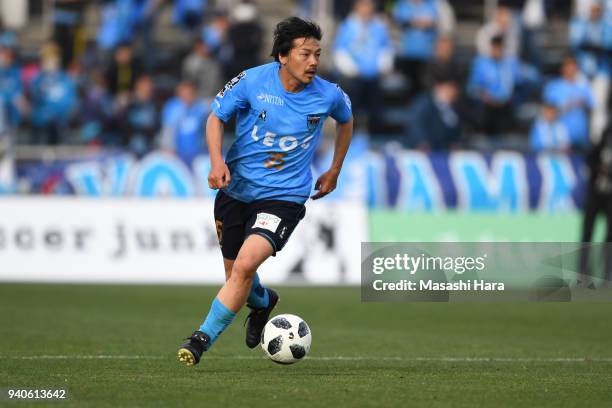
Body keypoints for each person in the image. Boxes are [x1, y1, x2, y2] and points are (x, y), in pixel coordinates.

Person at [177, 17, 353, 366]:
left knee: (244, 265)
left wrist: (335, 169)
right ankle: (262, 302)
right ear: (283, 56)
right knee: (237, 279)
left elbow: (346, 120)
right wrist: (216, 161)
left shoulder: (329, 95)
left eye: (317, 53)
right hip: (236, 190)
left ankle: (200, 339)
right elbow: (215, 117)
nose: (314, 61)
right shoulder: (252, 81)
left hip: (284, 197)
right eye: (306, 54)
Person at [332, 0, 393, 133]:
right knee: (352, 93)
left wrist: (382, 67)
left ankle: (374, 130)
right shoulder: (347, 26)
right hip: (354, 76)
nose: (367, 9)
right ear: (357, 7)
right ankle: (349, 130)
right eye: (364, 5)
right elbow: (339, 51)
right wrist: (352, 69)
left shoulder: (379, 27)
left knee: (375, 101)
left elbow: (386, 49)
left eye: (370, 6)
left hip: (374, 76)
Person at [543, 55, 594, 149]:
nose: (572, 70)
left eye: (574, 67)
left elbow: (592, 106)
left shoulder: (583, 87)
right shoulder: (553, 87)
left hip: (582, 138)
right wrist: (567, 106)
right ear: (563, 69)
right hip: (561, 140)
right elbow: (548, 112)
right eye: (569, 67)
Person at [159, 80, 208, 165]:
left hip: (197, 154)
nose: (187, 96)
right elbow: (168, 130)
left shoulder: (200, 106)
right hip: (177, 155)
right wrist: (167, 148)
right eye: (184, 93)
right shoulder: (172, 108)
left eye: (190, 93)